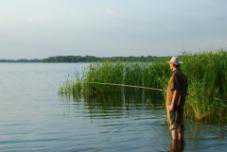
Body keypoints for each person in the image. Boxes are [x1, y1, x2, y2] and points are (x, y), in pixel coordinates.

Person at [166, 56, 188, 145]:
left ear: (172, 65)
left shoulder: (175, 75)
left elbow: (177, 90)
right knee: (180, 124)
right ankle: (180, 145)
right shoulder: (183, 75)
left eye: (170, 64)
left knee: (173, 125)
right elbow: (183, 90)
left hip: (174, 103)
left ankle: (175, 146)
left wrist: (172, 105)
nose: (169, 66)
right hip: (181, 103)